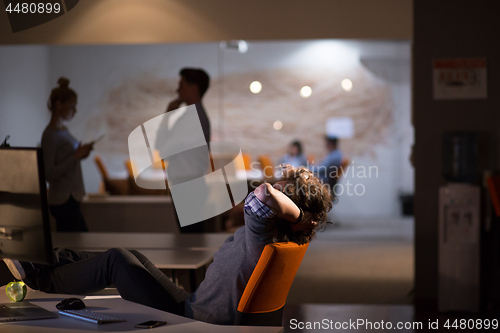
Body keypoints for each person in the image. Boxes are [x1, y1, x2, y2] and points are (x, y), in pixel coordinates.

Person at [2, 165, 332, 325]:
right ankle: (43, 260)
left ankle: (38, 277)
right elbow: (265, 195)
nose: (272, 185)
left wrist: (298, 211)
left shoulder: (266, 233)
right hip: (194, 303)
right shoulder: (274, 235)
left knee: (117, 260)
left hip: (195, 318)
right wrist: (295, 205)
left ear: (293, 212)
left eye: (281, 186)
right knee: (132, 256)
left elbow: (261, 196)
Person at [163, 68, 211, 233]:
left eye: (181, 85)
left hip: (188, 186)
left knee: (191, 240)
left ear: (194, 87)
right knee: (191, 238)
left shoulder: (192, 119)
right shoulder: (191, 116)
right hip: (188, 184)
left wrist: (167, 116)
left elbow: (163, 149)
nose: (177, 90)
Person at [41, 77, 92, 232]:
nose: (74, 111)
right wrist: (75, 157)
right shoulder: (50, 135)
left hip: (70, 198)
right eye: (72, 106)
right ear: (58, 105)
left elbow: (70, 158)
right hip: (63, 200)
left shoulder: (63, 131)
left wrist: (80, 154)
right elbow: (49, 174)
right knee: (73, 247)